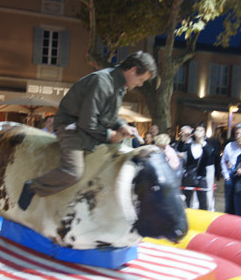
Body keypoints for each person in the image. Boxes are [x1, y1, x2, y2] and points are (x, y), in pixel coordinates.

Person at [18, 51, 157, 210]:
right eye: (141, 80)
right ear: (132, 70)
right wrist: (109, 135)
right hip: (71, 127)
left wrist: (121, 125)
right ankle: (32, 187)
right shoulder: (102, 82)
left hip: (87, 128)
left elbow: (108, 117)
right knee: (73, 172)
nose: (140, 84)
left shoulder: (118, 85)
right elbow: (87, 121)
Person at [179, 123, 214, 210]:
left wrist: (201, 141)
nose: (198, 132)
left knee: (203, 202)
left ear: (204, 134)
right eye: (197, 130)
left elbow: (209, 153)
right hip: (189, 176)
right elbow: (180, 148)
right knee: (185, 201)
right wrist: (183, 138)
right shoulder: (190, 145)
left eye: (201, 131)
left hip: (201, 177)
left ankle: (203, 221)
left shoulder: (207, 146)